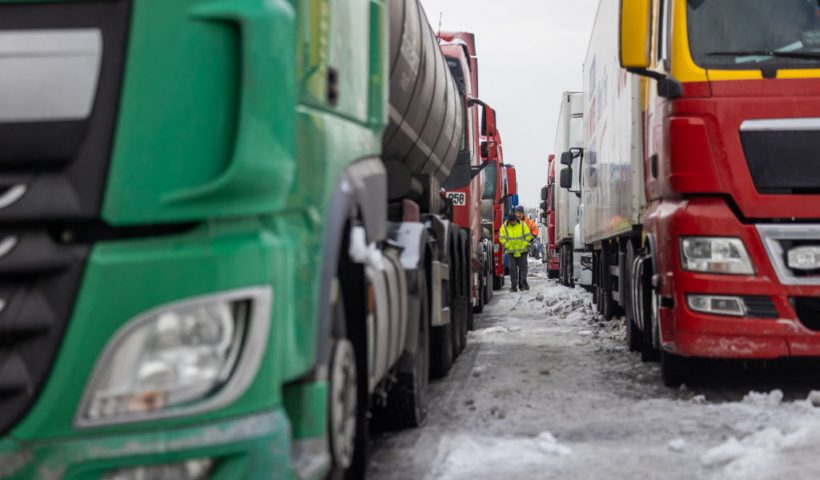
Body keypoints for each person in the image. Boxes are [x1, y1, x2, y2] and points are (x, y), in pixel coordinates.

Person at [500, 206, 534, 292]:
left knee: (523, 268)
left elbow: (528, 236)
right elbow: (502, 238)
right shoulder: (504, 227)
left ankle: (523, 281)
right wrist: (507, 245)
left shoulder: (523, 225)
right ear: (508, 221)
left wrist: (524, 244)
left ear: (516, 220)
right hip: (511, 252)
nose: (512, 223)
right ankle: (513, 286)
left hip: (522, 251)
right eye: (511, 222)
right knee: (512, 270)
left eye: (514, 221)